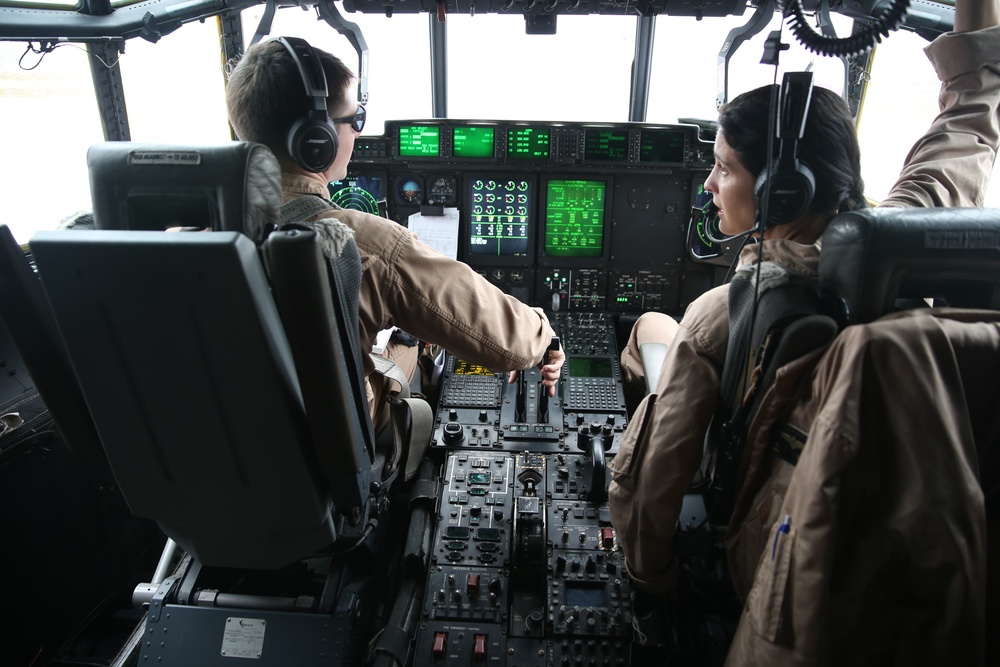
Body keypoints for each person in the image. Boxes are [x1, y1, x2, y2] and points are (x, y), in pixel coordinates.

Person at [609, 0, 1000, 608]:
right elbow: (967, 131)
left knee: (655, 329)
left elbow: (655, 478)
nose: (709, 185)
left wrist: (649, 579)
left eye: (723, 168)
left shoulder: (723, 315)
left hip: (766, 549)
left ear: (779, 190)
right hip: (888, 519)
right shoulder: (903, 239)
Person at [225, 38, 564, 427]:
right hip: (328, 452)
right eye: (356, 120)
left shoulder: (192, 233)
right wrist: (546, 339)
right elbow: (505, 340)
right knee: (418, 344)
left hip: (230, 446)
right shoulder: (364, 242)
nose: (357, 133)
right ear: (316, 140)